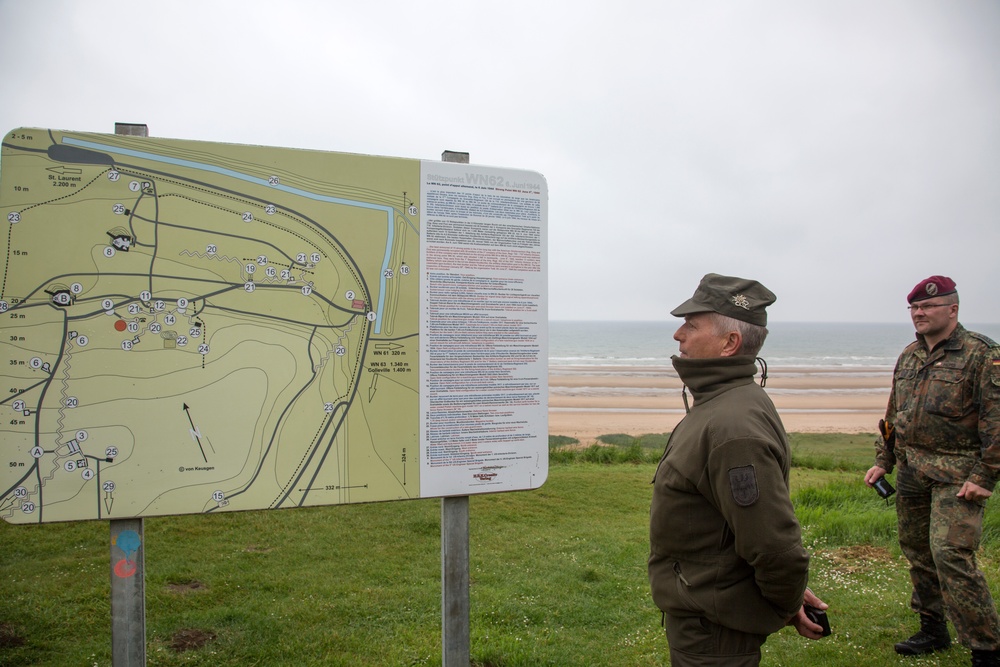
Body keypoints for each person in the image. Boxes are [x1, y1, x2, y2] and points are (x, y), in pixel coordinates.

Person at [648, 273, 828, 667]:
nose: (679, 334)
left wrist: (785, 602)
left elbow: (775, 545)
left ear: (729, 343)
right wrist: (791, 597)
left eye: (692, 325)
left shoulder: (733, 426)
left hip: (712, 627)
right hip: (706, 610)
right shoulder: (729, 400)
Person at [865, 275, 1000, 667]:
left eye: (927, 307)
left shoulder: (982, 355)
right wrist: (882, 460)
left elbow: (997, 422)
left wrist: (985, 476)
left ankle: (986, 647)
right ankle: (933, 628)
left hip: (958, 474)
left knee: (950, 555)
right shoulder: (909, 356)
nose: (918, 313)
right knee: (918, 552)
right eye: (914, 308)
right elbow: (894, 415)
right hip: (911, 470)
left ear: (952, 309)